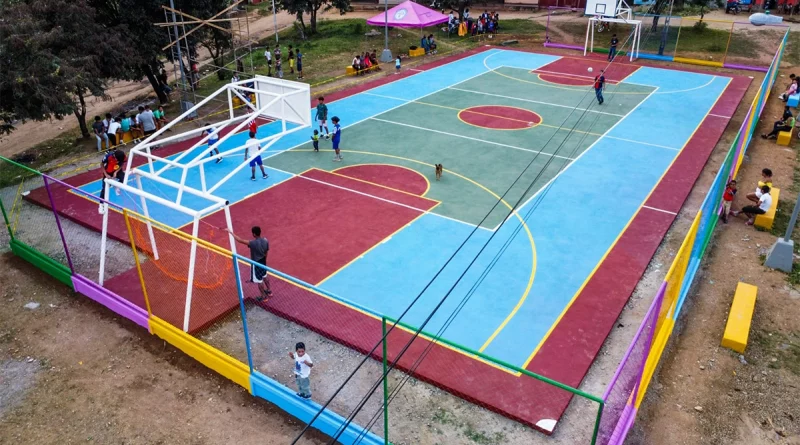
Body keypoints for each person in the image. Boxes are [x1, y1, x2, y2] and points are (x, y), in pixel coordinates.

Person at [226, 225, 272, 300]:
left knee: (259, 280)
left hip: (256, 264)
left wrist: (230, 232)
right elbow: (266, 251)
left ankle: (263, 297)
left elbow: (240, 240)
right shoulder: (265, 240)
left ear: (254, 234)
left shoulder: (252, 243)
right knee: (265, 275)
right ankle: (269, 291)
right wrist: (265, 260)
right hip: (263, 261)